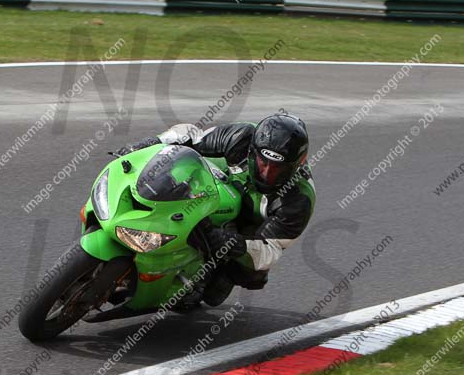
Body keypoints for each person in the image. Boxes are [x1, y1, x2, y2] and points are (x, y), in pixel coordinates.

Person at [114, 114, 315, 305]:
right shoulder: (242, 136)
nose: (267, 172)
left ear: (296, 165)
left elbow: (270, 250)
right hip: (212, 186)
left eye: (277, 168)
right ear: (253, 151)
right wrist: (151, 143)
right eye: (264, 162)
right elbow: (190, 137)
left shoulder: (298, 200)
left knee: (244, 277)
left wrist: (234, 244)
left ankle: (208, 276)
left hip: (250, 225)